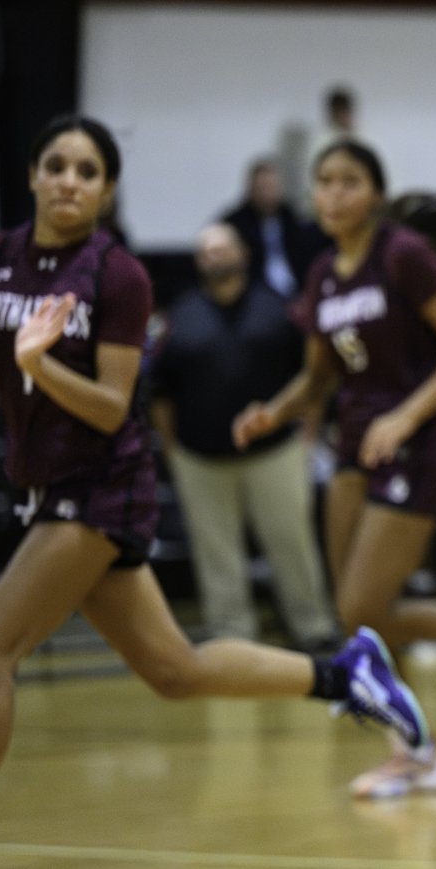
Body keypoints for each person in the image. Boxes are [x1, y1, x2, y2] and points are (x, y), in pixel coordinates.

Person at [0, 115, 431, 868]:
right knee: (175, 671)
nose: (70, 180)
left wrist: (40, 366)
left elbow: (110, 405)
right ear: (34, 176)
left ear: (106, 191)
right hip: (42, 485)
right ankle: (346, 673)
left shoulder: (117, 275)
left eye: (88, 171)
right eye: (57, 166)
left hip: (101, 482)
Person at [233, 140, 436, 800]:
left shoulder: (403, 255)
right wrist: (270, 413)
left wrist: (405, 415)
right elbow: (316, 380)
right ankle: (416, 747)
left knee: (365, 603)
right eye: (324, 182)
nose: (334, 192)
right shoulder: (322, 275)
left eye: (349, 181)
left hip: (415, 439)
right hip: (353, 442)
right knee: (356, 618)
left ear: (373, 193)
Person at [149, 223, 340, 649]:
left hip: (276, 452)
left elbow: (315, 375)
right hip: (200, 457)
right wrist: (173, 448)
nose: (215, 256)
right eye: (206, 251)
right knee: (216, 554)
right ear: (198, 262)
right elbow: (159, 390)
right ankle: (232, 634)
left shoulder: (279, 309)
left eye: (223, 248)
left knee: (292, 542)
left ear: (243, 253)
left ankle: (312, 627)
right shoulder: (178, 318)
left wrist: (309, 431)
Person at [222, 158, 330, 299]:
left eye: (271, 187)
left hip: (295, 291)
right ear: (251, 189)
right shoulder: (234, 224)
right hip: (255, 295)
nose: (267, 194)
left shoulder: (290, 217)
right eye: (262, 188)